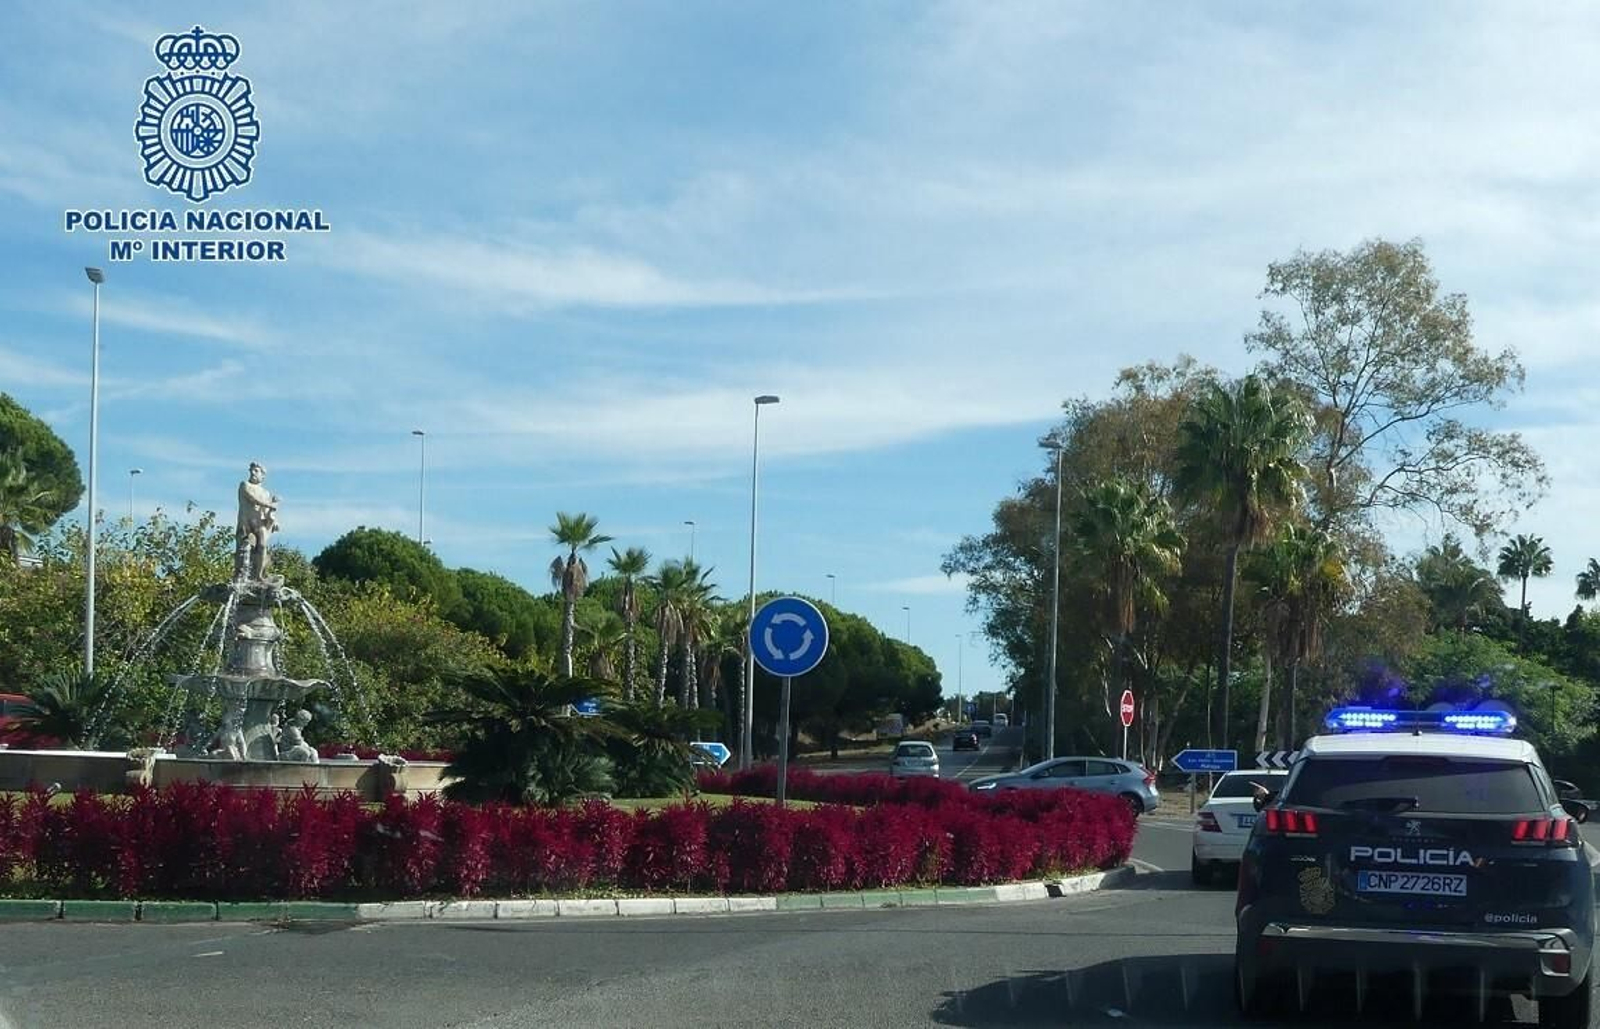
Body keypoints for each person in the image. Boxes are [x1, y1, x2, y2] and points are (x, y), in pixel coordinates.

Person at [234, 461, 279, 581]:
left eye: (256, 471)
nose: (252, 472)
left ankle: (259, 575)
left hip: (259, 524)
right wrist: (270, 504)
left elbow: (265, 512)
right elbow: (253, 499)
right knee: (244, 550)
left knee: (263, 546)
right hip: (246, 525)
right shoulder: (244, 485)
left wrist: (274, 520)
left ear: (263, 476)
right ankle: (241, 578)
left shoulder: (265, 493)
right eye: (251, 470)